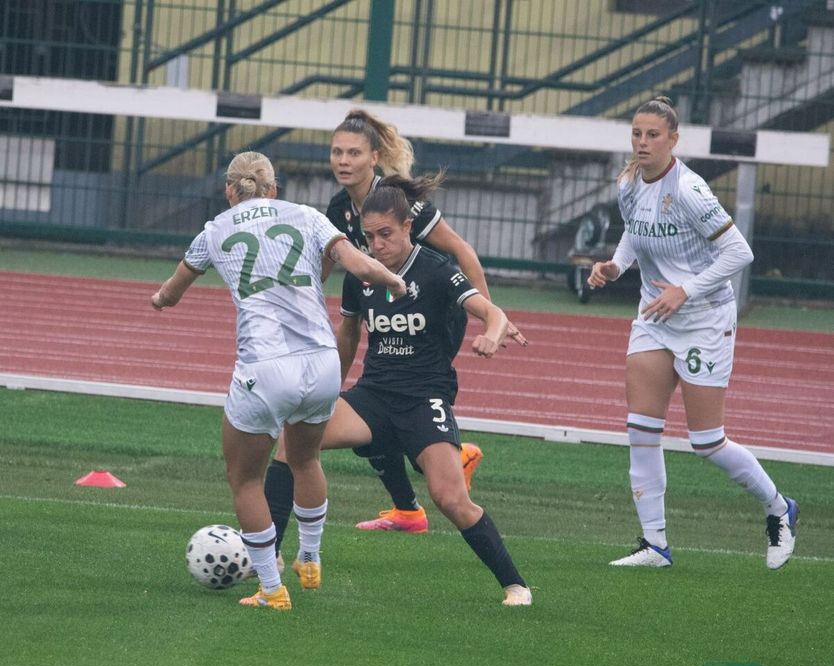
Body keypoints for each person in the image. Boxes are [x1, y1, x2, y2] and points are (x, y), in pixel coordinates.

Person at [150, 151, 405, 610]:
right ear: (273, 188)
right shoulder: (307, 216)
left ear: (229, 191)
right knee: (305, 459)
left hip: (266, 366)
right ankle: (310, 557)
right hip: (322, 362)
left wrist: (160, 300)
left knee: (245, 479)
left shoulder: (215, 230)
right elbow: (359, 263)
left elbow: (173, 289)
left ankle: (271, 588)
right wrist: (393, 280)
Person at [264, 108, 527, 546]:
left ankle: (435, 470)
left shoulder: (398, 202)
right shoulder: (338, 209)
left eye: (353, 153)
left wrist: (490, 313)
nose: (343, 161)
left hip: (436, 310)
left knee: (396, 399)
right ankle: (415, 499)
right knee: (373, 410)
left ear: (374, 158)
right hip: (389, 308)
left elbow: (461, 250)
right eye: (336, 152)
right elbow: (325, 268)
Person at [588, 96, 798, 569]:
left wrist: (685, 290)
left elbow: (739, 252)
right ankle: (655, 545)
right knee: (641, 430)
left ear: (674, 140)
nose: (642, 142)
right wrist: (616, 266)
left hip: (705, 319)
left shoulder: (689, 190)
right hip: (654, 317)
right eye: (637, 133)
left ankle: (780, 507)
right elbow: (634, 231)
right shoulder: (628, 181)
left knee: (707, 441)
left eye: (653, 135)